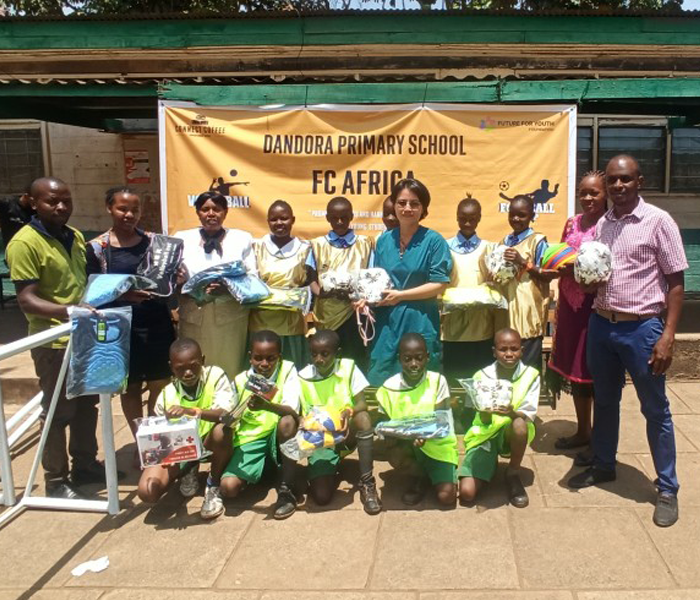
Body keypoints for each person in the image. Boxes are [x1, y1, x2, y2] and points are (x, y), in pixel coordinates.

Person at [568, 155, 687, 529]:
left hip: (642, 329)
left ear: (640, 182)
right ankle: (604, 465)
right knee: (605, 400)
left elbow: (676, 282)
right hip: (602, 326)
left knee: (655, 409)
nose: (619, 187)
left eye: (626, 180)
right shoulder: (603, 224)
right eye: (613, 181)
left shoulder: (658, 222)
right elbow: (598, 273)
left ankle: (667, 488)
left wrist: (668, 335)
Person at [6, 177, 106, 499]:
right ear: (33, 202)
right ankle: (56, 479)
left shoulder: (74, 235)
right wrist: (69, 312)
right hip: (53, 342)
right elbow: (27, 299)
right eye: (52, 201)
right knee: (58, 411)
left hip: (83, 338)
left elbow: (83, 282)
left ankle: (85, 465)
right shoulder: (25, 243)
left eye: (66, 200)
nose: (61, 206)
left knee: (87, 406)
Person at [86, 187, 175, 442]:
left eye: (134, 209)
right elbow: (91, 291)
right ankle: (140, 441)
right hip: (122, 326)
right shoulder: (97, 248)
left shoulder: (155, 242)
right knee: (131, 386)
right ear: (109, 208)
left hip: (157, 323)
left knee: (161, 382)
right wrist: (123, 296)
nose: (129, 214)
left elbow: (166, 280)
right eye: (122, 209)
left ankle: (155, 439)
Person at [366, 178, 452, 386]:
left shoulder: (434, 241)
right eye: (402, 202)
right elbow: (378, 280)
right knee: (382, 375)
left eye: (414, 204)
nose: (407, 208)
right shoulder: (384, 240)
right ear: (393, 205)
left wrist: (402, 295)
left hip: (419, 318)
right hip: (387, 320)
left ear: (423, 209)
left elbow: (439, 284)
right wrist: (365, 299)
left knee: (421, 380)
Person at [138, 338, 235, 520]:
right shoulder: (166, 394)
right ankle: (188, 467)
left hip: (211, 442)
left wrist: (191, 412)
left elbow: (226, 415)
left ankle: (213, 484)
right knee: (147, 491)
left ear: (203, 361)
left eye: (193, 366)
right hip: (181, 449)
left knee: (222, 431)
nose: (188, 373)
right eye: (180, 368)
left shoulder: (216, 376)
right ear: (171, 367)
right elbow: (156, 437)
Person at [548, 172, 607, 450]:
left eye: (594, 193)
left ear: (605, 194)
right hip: (570, 307)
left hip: (596, 307)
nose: (587, 198)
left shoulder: (610, 225)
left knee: (595, 371)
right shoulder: (572, 223)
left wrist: (578, 269)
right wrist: (559, 265)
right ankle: (583, 431)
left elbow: (612, 265)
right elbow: (562, 252)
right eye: (583, 193)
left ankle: (601, 435)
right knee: (575, 371)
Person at [296, 329, 382, 515]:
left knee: (363, 418)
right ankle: (329, 469)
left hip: (346, 434)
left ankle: (367, 483)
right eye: (314, 354)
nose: (319, 359)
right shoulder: (302, 377)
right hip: (321, 442)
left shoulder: (348, 368)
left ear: (338, 354)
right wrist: (301, 420)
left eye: (325, 354)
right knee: (321, 497)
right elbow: (296, 412)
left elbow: (362, 403)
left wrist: (348, 412)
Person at [174, 191, 256, 379]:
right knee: (195, 367)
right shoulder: (182, 239)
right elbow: (169, 274)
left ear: (225, 213)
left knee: (229, 368)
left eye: (217, 209)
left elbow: (252, 278)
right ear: (198, 212)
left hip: (231, 318)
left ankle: (227, 408)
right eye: (205, 209)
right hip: (194, 316)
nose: (211, 213)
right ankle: (197, 408)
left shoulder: (241, 239)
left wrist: (228, 288)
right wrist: (177, 279)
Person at [221, 330, 301, 520]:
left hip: (278, 434)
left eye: (270, 358)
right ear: (250, 358)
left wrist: (268, 406)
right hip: (251, 438)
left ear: (279, 358)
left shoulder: (288, 370)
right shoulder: (241, 380)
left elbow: (293, 411)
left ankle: (287, 490)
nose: (264, 364)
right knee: (228, 488)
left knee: (288, 423)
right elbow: (228, 411)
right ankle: (266, 469)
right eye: (258, 358)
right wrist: (230, 416)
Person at [459, 328, 539, 508]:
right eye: (503, 350)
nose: (509, 354)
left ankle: (512, 473)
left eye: (514, 349)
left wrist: (511, 412)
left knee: (519, 425)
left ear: (522, 351)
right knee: (467, 494)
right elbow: (474, 418)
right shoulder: (480, 376)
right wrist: (485, 414)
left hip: (511, 433)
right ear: (494, 352)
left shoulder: (530, 375)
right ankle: (488, 462)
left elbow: (527, 415)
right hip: (486, 432)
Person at [376, 332, 457, 507]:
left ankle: (438, 472)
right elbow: (384, 423)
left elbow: (442, 421)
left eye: (419, 358)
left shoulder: (437, 381)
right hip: (407, 445)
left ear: (427, 357)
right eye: (408, 359)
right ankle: (421, 478)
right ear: (399, 359)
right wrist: (388, 435)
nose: (414, 364)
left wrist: (425, 434)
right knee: (393, 451)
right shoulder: (388, 388)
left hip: (437, 444)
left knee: (447, 497)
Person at [307, 196, 374, 370]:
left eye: (344, 217)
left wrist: (361, 297)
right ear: (327, 218)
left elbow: (370, 277)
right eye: (334, 218)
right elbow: (312, 280)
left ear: (351, 216)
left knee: (353, 359)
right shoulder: (316, 245)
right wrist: (325, 292)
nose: (339, 221)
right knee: (326, 359)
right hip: (326, 313)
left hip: (355, 313)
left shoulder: (365, 244)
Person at [442, 196, 500, 384]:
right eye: (462, 218)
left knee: (479, 378)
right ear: (457, 217)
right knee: (453, 377)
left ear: (479, 218)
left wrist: (494, 284)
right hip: (452, 325)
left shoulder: (489, 248)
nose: (467, 223)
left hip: (481, 324)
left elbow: (498, 281)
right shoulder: (444, 247)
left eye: (472, 218)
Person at [249, 200, 312, 369]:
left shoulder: (305, 249)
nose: (279, 223)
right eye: (273, 219)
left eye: (284, 219)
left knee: (290, 371)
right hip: (260, 322)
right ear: (268, 221)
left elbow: (311, 282)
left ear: (293, 220)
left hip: (291, 324)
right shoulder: (256, 246)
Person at [499, 195, 555, 371]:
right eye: (512, 214)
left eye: (522, 215)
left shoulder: (538, 242)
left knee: (528, 372)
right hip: (506, 315)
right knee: (507, 372)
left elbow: (547, 275)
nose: (516, 219)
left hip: (529, 316)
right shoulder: (504, 242)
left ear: (532, 216)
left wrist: (522, 262)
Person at [0, 186, 34, 250]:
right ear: (26, 196)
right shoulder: (7, 204)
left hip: (29, 247)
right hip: (11, 247)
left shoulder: (35, 210)